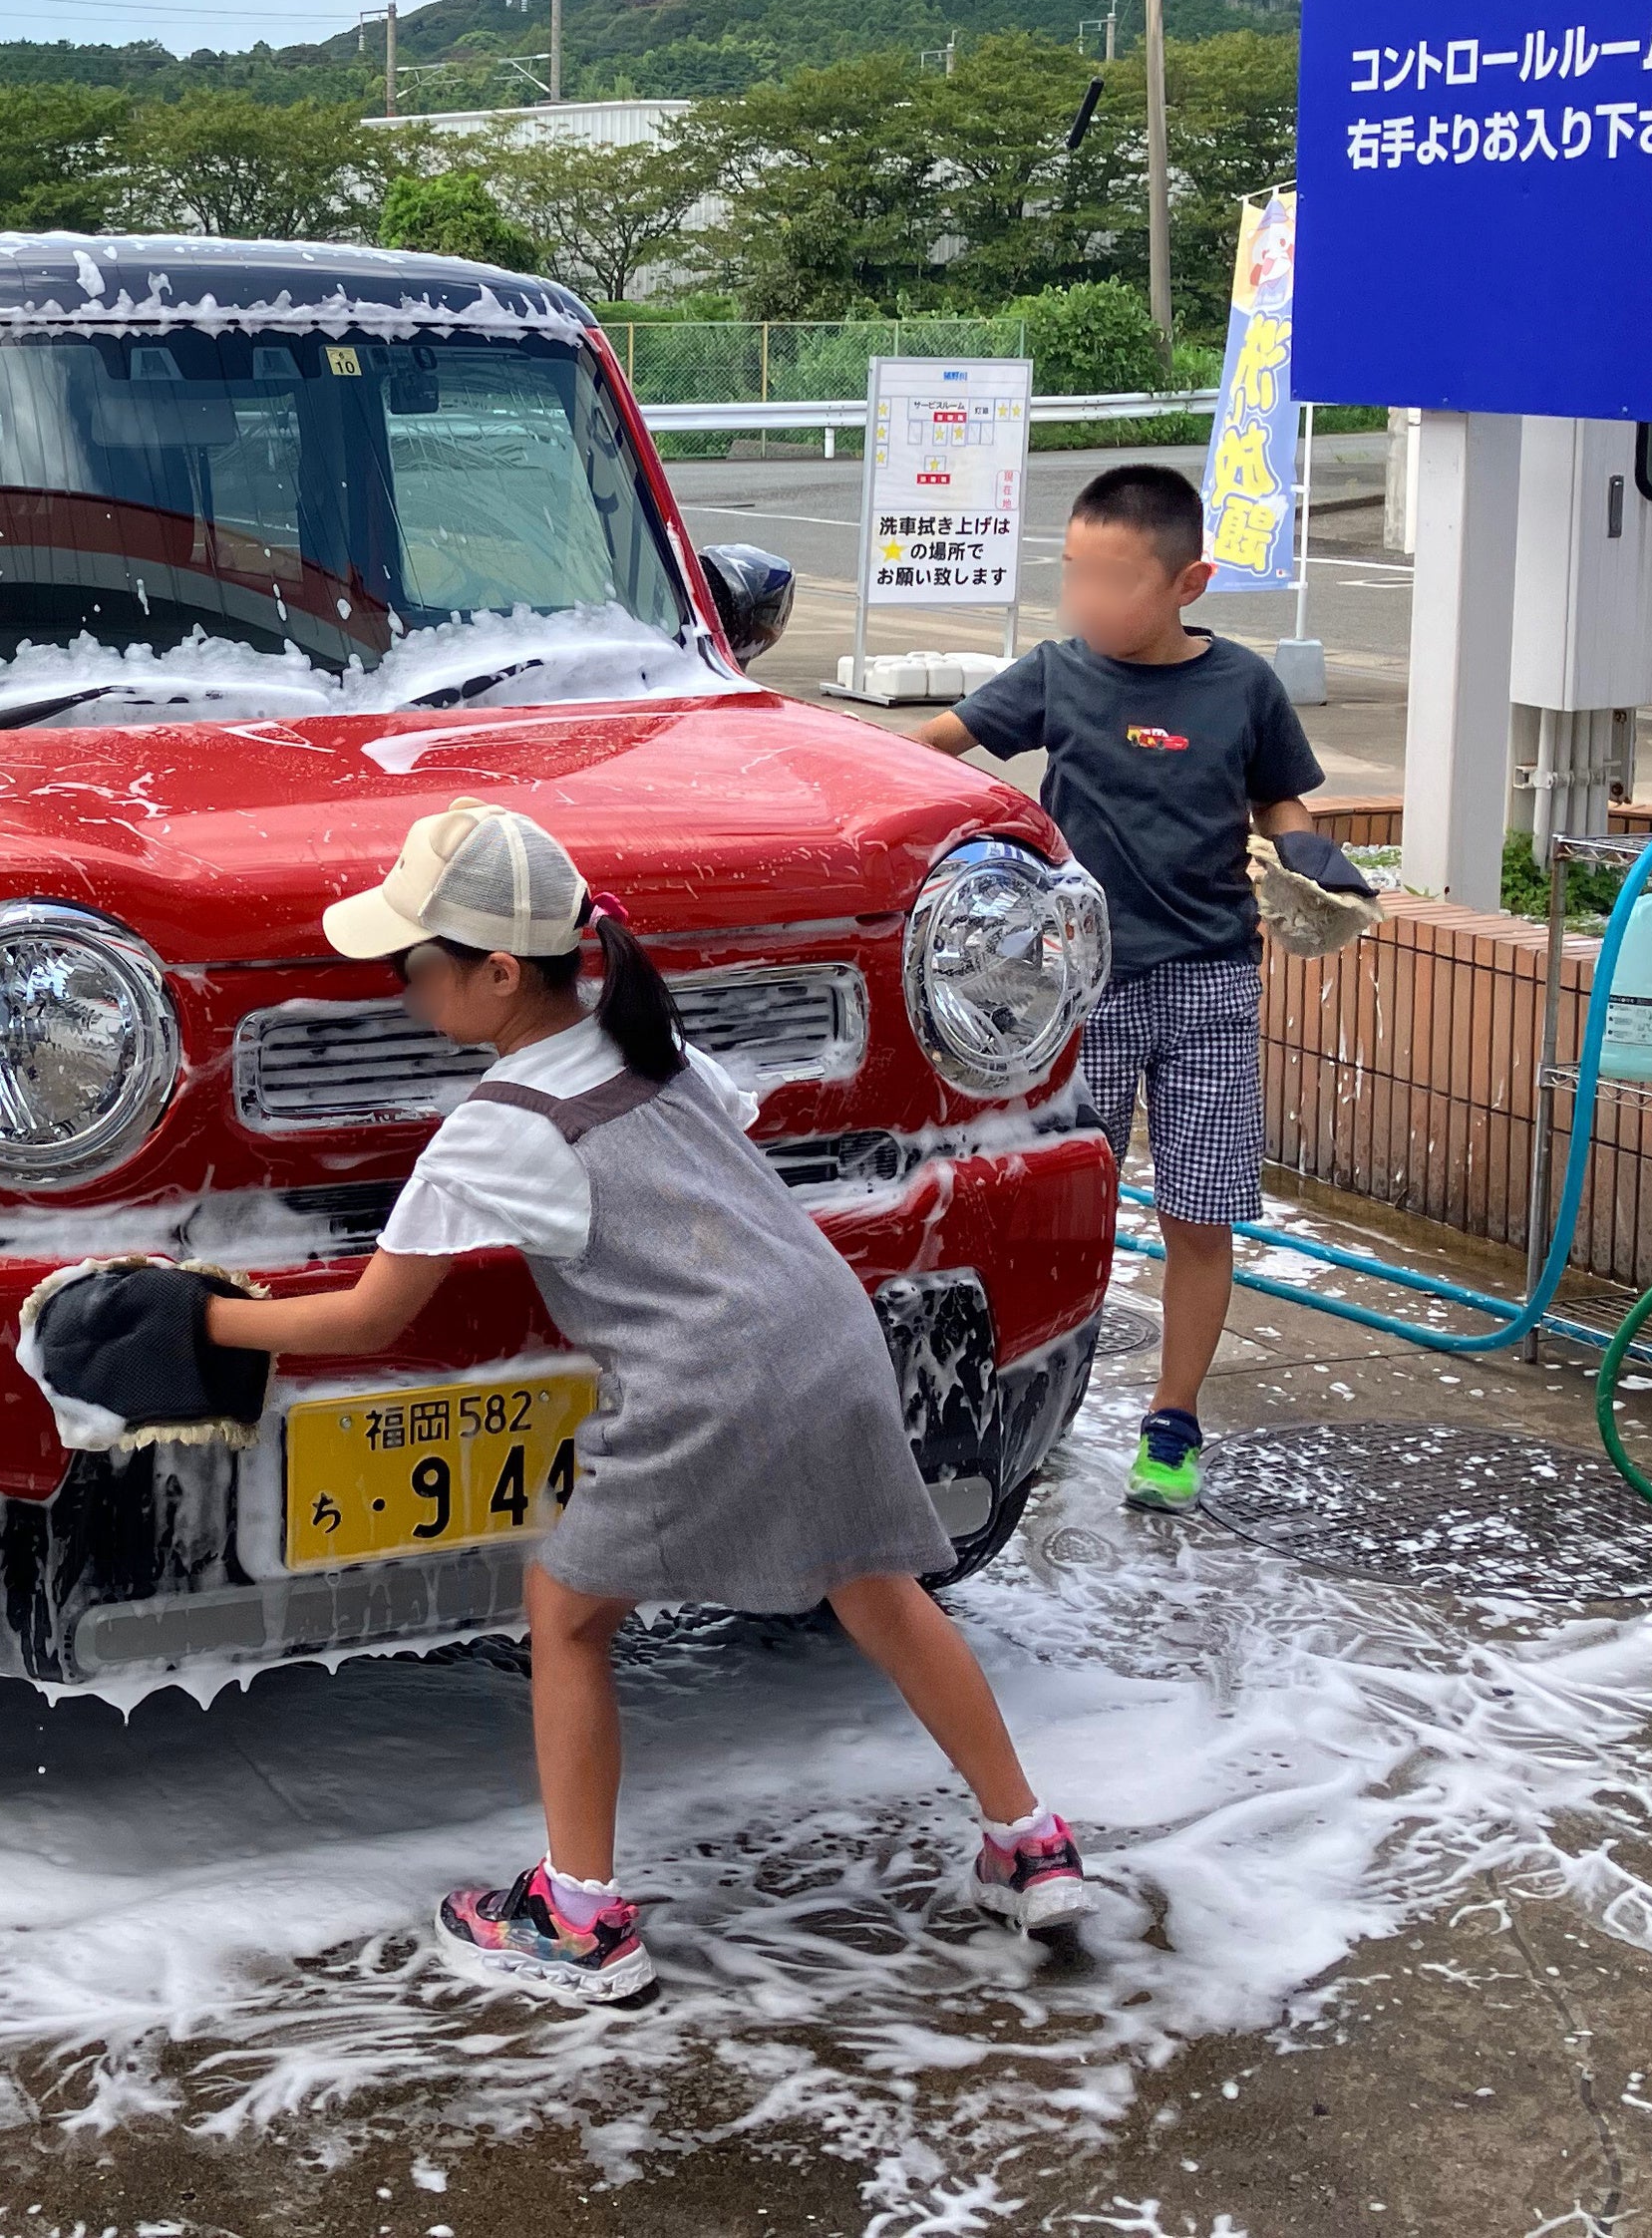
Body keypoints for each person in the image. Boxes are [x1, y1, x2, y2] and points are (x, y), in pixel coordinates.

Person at [200, 799, 1087, 2006]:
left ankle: (579, 1918)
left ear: (498, 973)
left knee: (565, 1612)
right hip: (830, 1334)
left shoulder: (497, 1129)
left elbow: (364, 1320)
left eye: (414, 964)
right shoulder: (646, 1040)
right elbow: (709, 1146)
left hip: (715, 1375)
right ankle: (1028, 1839)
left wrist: (198, 1319)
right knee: (876, 1584)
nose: (398, 987)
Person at [915, 460, 1322, 1515]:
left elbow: (1282, 801)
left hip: (1212, 989)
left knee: (1200, 1211)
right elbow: (935, 754)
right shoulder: (1057, 673)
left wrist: (1313, 860)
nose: (1086, 604)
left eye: (1113, 582)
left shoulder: (1244, 688)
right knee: (1059, 1212)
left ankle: (1173, 1421)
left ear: (1191, 583)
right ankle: (1039, 1408)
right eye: (1074, 579)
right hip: (1075, 992)